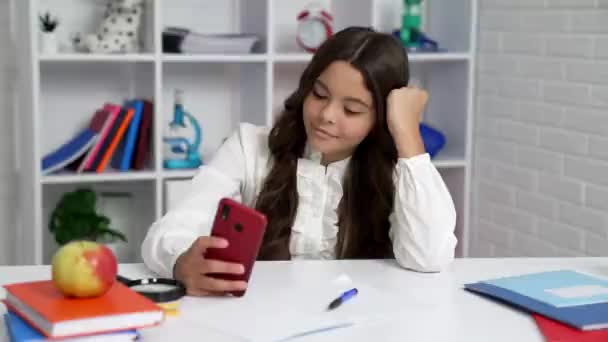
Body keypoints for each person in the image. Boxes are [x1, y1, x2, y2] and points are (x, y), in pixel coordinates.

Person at [141, 26, 457, 296]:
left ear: (380, 118)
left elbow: (428, 257)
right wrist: (180, 260)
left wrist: (407, 134)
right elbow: (170, 230)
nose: (326, 116)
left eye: (352, 110)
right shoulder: (249, 145)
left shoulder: (400, 169)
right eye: (319, 95)